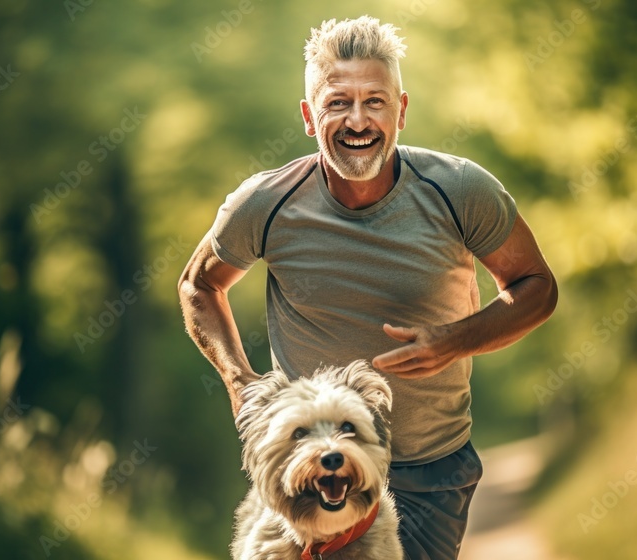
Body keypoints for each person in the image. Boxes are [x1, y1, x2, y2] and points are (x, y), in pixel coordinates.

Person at [178, 15, 558, 560]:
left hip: (427, 470)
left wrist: (456, 340)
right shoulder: (265, 204)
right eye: (338, 103)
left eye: (374, 101)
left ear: (400, 110)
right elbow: (198, 285)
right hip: (306, 458)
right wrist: (241, 385)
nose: (358, 120)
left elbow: (537, 286)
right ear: (311, 117)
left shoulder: (460, 190)